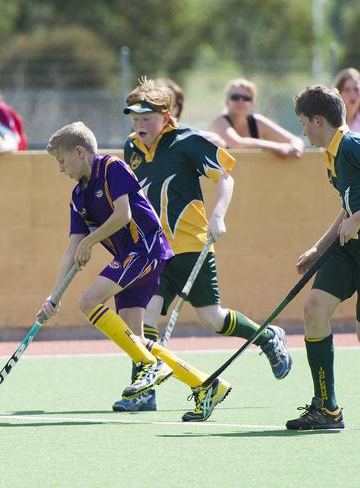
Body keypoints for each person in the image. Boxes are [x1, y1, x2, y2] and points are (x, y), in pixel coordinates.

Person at [115, 78, 292, 412]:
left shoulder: (187, 142)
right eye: (134, 118)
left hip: (192, 247)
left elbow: (226, 175)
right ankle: (144, 391)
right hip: (155, 251)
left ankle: (267, 337)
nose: (139, 125)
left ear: (166, 116)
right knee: (143, 319)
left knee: (213, 318)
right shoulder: (131, 148)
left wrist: (219, 215)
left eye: (146, 118)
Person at [39, 121, 232, 422]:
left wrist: (90, 240)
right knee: (138, 341)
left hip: (145, 250)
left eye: (61, 161)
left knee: (89, 302)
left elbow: (123, 215)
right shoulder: (78, 197)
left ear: (79, 151)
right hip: (129, 258)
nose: (60, 169)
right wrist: (54, 297)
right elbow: (72, 248)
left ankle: (149, 365)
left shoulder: (112, 167)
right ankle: (207, 385)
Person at [285, 84, 357, 430]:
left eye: (302, 123)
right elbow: (347, 208)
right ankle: (327, 408)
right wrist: (318, 247)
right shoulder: (331, 156)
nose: (302, 130)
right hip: (348, 249)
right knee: (314, 308)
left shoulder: (352, 146)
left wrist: (359, 218)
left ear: (317, 120)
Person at [209, 78, 304, 158]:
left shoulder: (257, 121)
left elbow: (296, 140)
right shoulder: (219, 122)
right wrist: (277, 148)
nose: (241, 101)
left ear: (252, 103)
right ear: (227, 101)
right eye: (235, 97)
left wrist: (296, 150)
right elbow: (238, 144)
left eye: (246, 98)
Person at [158, 78, 226, 147]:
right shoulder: (147, 139)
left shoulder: (195, 136)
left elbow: (217, 141)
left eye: (172, 104)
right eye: (160, 104)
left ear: (179, 107)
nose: (167, 110)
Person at [332, 68, 360, 132]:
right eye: (347, 89)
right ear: (339, 93)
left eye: (356, 89)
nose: (352, 94)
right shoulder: (331, 121)